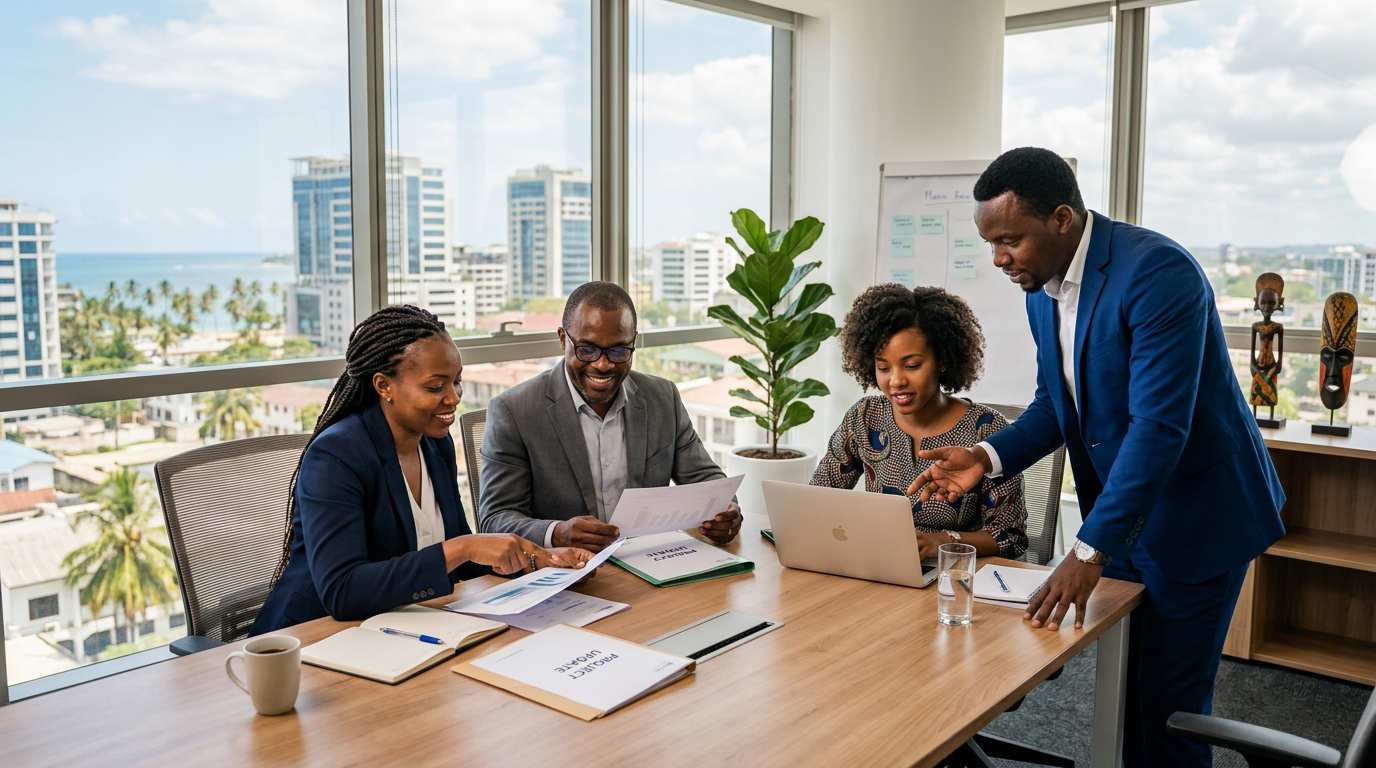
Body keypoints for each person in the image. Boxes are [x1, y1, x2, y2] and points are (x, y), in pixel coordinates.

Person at [909, 147, 1285, 767]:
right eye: (989, 242)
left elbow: (1159, 427)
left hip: (1197, 515)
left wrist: (1088, 547)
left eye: (1009, 239)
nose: (998, 258)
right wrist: (985, 454)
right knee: (1123, 692)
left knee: (1169, 710)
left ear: (1061, 219)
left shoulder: (1158, 274)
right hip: (1126, 515)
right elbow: (1055, 407)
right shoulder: (1041, 289)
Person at [251, 306, 590, 635]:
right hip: (310, 641)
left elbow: (465, 563)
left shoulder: (433, 444)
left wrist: (540, 560)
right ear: (384, 386)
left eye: (456, 382)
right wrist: (464, 547)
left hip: (400, 631)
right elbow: (342, 590)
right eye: (435, 386)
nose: (454, 397)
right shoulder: (337, 456)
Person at [478, 281, 741, 551]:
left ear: (633, 343)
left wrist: (726, 512)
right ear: (561, 339)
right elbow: (495, 519)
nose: (602, 365)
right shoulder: (514, 411)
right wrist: (556, 533)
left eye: (618, 351)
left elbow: (707, 480)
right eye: (587, 350)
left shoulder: (662, 397)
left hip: (648, 562)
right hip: (567, 576)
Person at [812, 284, 1027, 561]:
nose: (896, 381)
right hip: (880, 568)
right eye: (883, 367)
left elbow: (1012, 537)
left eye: (912, 365)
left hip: (955, 578)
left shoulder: (988, 429)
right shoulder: (865, 418)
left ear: (943, 360)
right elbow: (817, 501)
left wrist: (946, 541)